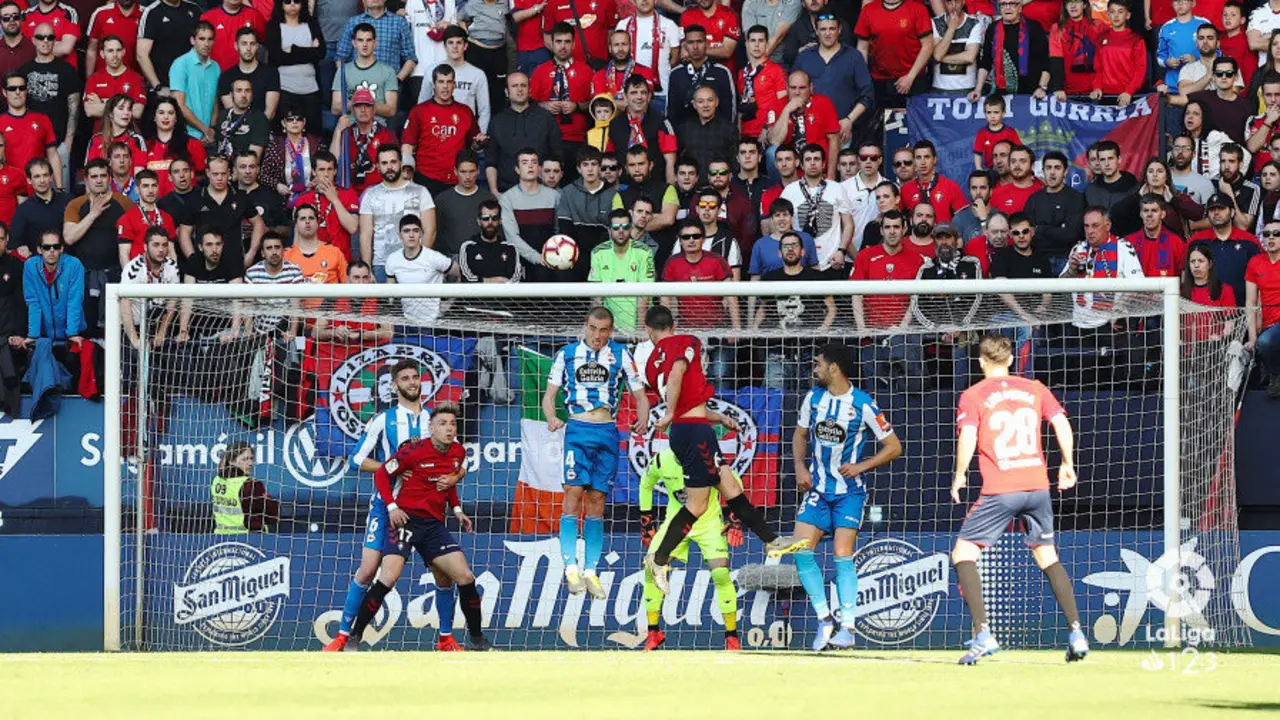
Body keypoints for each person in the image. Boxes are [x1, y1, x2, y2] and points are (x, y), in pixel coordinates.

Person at [642, 303, 807, 596]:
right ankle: (659, 559)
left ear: (648, 331)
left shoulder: (651, 360)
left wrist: (720, 418)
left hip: (695, 429)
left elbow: (690, 400)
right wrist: (669, 411)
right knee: (697, 505)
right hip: (692, 433)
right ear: (673, 326)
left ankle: (770, 539)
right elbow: (679, 373)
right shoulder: (687, 341)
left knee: (730, 487)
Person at [949, 334, 1091, 668]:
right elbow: (1061, 422)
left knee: (963, 553)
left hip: (1002, 486)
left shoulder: (972, 395)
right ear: (1012, 360)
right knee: (1048, 557)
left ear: (981, 361)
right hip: (1037, 484)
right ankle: (1076, 633)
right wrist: (1068, 463)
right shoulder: (1035, 388)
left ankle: (983, 634)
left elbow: (968, 434)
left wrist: (960, 474)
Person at [345, 403, 492, 651]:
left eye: (453, 424)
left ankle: (477, 639)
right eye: (443, 424)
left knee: (465, 577)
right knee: (388, 578)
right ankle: (354, 636)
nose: (449, 428)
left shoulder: (457, 452)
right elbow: (382, 474)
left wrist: (456, 509)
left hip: (433, 525)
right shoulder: (413, 451)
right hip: (406, 520)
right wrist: (392, 507)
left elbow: (449, 481)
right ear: (430, 428)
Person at [324, 360, 446, 651]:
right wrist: (389, 467)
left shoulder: (434, 419)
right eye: (405, 378)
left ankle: (445, 639)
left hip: (424, 508)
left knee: (444, 573)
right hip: (387, 505)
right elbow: (356, 459)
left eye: (416, 377)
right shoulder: (384, 419)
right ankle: (342, 637)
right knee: (368, 570)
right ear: (394, 386)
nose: (412, 382)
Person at [789, 343, 901, 651]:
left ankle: (848, 627)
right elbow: (800, 434)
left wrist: (862, 465)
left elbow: (894, 446)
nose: (815, 369)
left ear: (834, 368)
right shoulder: (813, 399)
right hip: (817, 488)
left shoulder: (863, 403)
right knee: (800, 550)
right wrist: (800, 466)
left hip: (849, 493)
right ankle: (825, 620)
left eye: (818, 364)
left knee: (842, 553)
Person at [541, 306, 648, 598]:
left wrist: (644, 417)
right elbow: (549, 397)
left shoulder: (622, 354)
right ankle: (570, 568)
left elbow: (640, 396)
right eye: (592, 329)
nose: (597, 336)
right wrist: (551, 417)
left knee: (598, 500)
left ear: (611, 331)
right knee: (573, 493)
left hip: (608, 432)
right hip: (577, 430)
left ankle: (590, 570)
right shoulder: (566, 354)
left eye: (603, 330)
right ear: (584, 326)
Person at [638, 445, 745, 651]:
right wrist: (646, 521)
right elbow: (645, 483)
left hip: (708, 523)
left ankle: (731, 638)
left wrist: (734, 517)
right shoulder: (661, 460)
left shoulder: (709, 458)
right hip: (676, 522)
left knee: (721, 574)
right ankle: (653, 633)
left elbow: (736, 483)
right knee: (651, 567)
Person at [63, 158, 132, 335]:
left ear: (110, 178)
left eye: (103, 175)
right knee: (88, 330)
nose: (99, 180)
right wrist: (93, 214)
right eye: (94, 176)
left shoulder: (124, 203)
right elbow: (69, 238)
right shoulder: (76, 204)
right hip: (85, 277)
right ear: (86, 180)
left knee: (116, 330)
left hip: (116, 276)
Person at [794, 14, 874, 148]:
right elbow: (793, 91)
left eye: (832, 29)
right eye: (823, 29)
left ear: (839, 30)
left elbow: (867, 95)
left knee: (843, 168)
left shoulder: (854, 57)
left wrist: (849, 120)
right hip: (809, 129)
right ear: (816, 30)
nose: (828, 33)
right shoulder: (804, 57)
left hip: (842, 128)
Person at [358, 144, 435, 280]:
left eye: (393, 162)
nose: (389, 167)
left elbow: (430, 230)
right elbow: (365, 234)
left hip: (413, 264)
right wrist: (367, 270)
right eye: (384, 163)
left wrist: (419, 261)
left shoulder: (421, 192)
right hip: (381, 265)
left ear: (400, 163)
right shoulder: (370, 195)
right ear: (377, 166)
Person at [403, 64, 479, 195]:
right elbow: (408, 144)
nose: (445, 86)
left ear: (454, 85)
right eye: (441, 82)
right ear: (433, 84)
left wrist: (479, 143)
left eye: (449, 82)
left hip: (456, 181)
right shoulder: (419, 111)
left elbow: (473, 145)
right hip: (426, 178)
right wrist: (406, 170)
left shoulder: (465, 112)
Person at [779, 143, 853, 278]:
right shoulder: (789, 191)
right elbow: (781, 225)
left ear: (824, 164)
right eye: (808, 159)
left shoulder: (837, 188)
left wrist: (841, 251)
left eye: (816, 159)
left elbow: (848, 224)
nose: (812, 163)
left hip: (831, 260)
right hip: (799, 261)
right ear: (801, 165)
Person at [19, 22, 77, 192]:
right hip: (32, 144)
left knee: (61, 195)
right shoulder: (24, 71)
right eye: (40, 37)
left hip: (59, 144)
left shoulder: (67, 70)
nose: (45, 41)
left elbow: (74, 107)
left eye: (50, 37)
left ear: (55, 41)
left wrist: (68, 141)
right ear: (33, 40)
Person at [487, 73, 564, 193]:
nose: (519, 89)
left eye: (523, 85)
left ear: (530, 90)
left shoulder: (545, 118)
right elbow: (491, 160)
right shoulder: (497, 121)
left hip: (542, 190)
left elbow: (558, 155)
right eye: (514, 86)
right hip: (506, 192)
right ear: (507, 91)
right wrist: (495, 192)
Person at [530, 23, 592, 170]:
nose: (563, 46)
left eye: (567, 42)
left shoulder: (586, 71)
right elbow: (528, 104)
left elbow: (595, 105)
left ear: (574, 44)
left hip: (577, 139)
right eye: (558, 42)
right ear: (551, 43)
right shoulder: (540, 71)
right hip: (546, 138)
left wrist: (576, 106)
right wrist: (543, 106)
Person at [185, 155, 264, 267]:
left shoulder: (240, 197)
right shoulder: (195, 198)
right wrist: (192, 258)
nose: (220, 178)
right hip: (204, 265)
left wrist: (251, 253)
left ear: (229, 172)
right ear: (207, 173)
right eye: (215, 174)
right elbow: (184, 231)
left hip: (234, 263)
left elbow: (259, 223)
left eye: (223, 174)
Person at [855, 0, 934, 108]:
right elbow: (862, 48)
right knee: (881, 122)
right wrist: (863, 80)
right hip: (879, 80)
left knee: (913, 123)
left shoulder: (918, 9)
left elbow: (928, 46)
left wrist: (910, 77)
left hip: (914, 80)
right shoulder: (868, 10)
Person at [751, 230, 834, 332]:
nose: (790, 248)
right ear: (780, 253)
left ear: (802, 252)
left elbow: (832, 309)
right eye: (786, 246)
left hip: (809, 339)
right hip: (777, 339)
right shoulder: (769, 278)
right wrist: (754, 330)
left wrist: (822, 331)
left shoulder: (817, 277)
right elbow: (763, 309)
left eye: (794, 245)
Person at [555, 146, 618, 278]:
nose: (590, 169)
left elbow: (614, 230)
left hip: (604, 252)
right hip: (575, 252)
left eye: (594, 164)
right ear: (579, 169)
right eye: (585, 165)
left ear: (600, 168)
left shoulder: (613, 194)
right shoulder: (568, 192)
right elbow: (565, 228)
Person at [385, 213, 458, 324]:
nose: (411, 235)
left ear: (421, 234)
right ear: (400, 235)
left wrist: (448, 305)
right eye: (406, 231)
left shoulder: (434, 257)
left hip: (434, 323)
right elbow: (390, 294)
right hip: (407, 322)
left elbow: (460, 274)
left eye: (415, 230)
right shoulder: (392, 259)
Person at [588, 208, 655, 329]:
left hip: (639, 324)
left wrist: (640, 330)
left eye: (625, 227)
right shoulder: (598, 252)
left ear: (630, 229)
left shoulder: (645, 251)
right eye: (615, 227)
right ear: (609, 230)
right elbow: (596, 299)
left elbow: (645, 296)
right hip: (608, 326)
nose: (620, 231)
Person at [971, 0, 1051, 101]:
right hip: (1001, 94)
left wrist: (1042, 88)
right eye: (1003, 4)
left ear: (1020, 7)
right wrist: (978, 90)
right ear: (999, 8)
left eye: (1012, 3)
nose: (1007, 7)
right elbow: (985, 63)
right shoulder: (992, 28)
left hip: (1033, 93)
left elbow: (1046, 62)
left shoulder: (1034, 27)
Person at [417, 27, 489, 136]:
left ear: (465, 46)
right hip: (435, 132)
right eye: (450, 43)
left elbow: (484, 110)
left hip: (465, 134)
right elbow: (422, 105)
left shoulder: (477, 74)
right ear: (445, 46)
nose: (455, 47)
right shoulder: (431, 71)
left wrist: (478, 136)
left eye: (459, 43)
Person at [1189, 192, 1261, 303]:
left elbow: (1261, 277)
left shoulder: (1250, 241)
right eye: (1212, 210)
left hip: (1242, 312)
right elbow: (1186, 276)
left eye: (1221, 209)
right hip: (1204, 312)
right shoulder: (1196, 241)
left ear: (1232, 212)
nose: (1216, 213)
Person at [766, 70, 839, 178]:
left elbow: (834, 140)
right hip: (790, 166)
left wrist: (831, 176)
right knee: (771, 152)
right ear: (786, 87)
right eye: (793, 87)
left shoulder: (823, 102)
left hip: (816, 162)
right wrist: (786, 110)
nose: (797, 92)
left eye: (802, 88)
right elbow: (774, 141)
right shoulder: (777, 105)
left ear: (811, 88)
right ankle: (779, 190)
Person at [333, 0, 416, 94]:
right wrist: (347, 81)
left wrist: (397, 80)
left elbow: (411, 58)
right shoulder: (353, 22)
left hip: (388, 86)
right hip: (357, 85)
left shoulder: (399, 22)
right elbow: (341, 57)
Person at [266, 0, 325, 131]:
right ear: (280, 4)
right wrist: (309, 51)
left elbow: (321, 52)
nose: (292, 4)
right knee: (285, 134)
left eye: (297, 1)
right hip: (284, 89)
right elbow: (276, 57)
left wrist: (292, 49)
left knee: (313, 135)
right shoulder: (273, 25)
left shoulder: (311, 23)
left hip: (311, 89)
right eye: (287, 1)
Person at [21, 228, 83, 350]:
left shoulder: (74, 265)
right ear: (39, 249)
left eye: (56, 246)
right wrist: (33, 334)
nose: (52, 251)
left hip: (72, 333)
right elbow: (33, 302)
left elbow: (74, 301)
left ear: (62, 249)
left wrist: (72, 333)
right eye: (46, 247)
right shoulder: (30, 266)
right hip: (44, 335)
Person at [500, 148, 561, 272]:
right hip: (521, 262)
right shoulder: (507, 198)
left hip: (553, 258)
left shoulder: (554, 196)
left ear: (539, 169)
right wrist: (537, 258)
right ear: (517, 169)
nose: (530, 166)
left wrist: (552, 255)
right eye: (524, 162)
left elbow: (559, 231)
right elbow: (512, 237)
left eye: (534, 162)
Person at [665, 25, 736, 129]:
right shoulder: (676, 74)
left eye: (699, 42)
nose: (695, 47)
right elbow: (671, 112)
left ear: (706, 44)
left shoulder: (722, 72)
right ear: (684, 46)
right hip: (685, 138)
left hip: (716, 136)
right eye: (690, 42)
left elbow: (729, 111)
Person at [1024, 150, 1085, 270]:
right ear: (1043, 171)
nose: (1052, 172)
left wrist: (1041, 228)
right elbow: (1028, 234)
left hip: (1067, 259)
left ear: (1065, 171)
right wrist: (1059, 229)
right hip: (1038, 259)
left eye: (1057, 168)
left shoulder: (1076, 198)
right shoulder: (1034, 199)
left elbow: (1071, 234)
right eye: (1048, 168)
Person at [618, 0, 681, 112]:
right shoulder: (623, 25)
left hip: (660, 93)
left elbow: (675, 58)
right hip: (630, 93)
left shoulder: (669, 25)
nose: (644, 1)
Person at [329, 88, 396, 195]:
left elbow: (394, 167)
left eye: (367, 105)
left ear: (374, 109)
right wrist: (338, 131)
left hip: (380, 192)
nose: (363, 109)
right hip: (350, 193)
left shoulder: (386, 134)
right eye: (358, 106)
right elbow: (332, 163)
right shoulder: (346, 133)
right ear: (352, 110)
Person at [0, 72, 60, 190]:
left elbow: (52, 155)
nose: (18, 92)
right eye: (12, 89)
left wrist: (59, 187)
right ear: (4, 92)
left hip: (38, 187)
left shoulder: (42, 119)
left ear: (26, 90)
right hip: (8, 188)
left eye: (21, 88)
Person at [332, 23, 401, 123]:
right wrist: (360, 103)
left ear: (375, 43)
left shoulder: (388, 71)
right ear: (354, 43)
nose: (364, 44)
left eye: (368, 40)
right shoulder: (343, 70)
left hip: (378, 130)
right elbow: (335, 108)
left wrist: (363, 103)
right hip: (351, 128)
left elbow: (391, 110)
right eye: (360, 40)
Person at [210, 441, 279, 533]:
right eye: (245, 459)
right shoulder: (250, 485)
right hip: (247, 540)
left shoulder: (217, 480)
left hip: (220, 538)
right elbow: (272, 516)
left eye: (251, 458)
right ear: (232, 461)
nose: (250, 463)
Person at [170, 21, 220, 146]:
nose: (206, 43)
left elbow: (215, 102)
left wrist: (212, 130)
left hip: (209, 137)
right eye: (202, 39)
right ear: (193, 40)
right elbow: (179, 105)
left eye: (210, 39)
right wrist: (205, 130)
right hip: (187, 134)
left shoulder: (216, 67)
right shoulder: (180, 64)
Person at [144, 97, 207, 196]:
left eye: (170, 113)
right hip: (154, 204)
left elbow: (203, 176)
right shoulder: (144, 145)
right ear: (154, 117)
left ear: (176, 117)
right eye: (161, 113)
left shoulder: (193, 144)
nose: (166, 117)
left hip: (185, 204)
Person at [137, 0, 202, 94]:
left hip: (192, 86)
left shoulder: (194, 9)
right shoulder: (152, 12)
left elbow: (205, 43)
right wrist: (158, 87)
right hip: (165, 88)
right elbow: (141, 55)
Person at [217, 28, 279, 125]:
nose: (248, 48)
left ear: (257, 46)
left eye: (252, 44)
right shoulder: (226, 77)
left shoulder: (271, 73)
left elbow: (270, 113)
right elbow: (231, 112)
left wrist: (255, 131)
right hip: (236, 131)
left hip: (262, 130)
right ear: (236, 46)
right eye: (244, 44)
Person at [1246, 219, 1280, 396]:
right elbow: (1250, 303)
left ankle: (1275, 376)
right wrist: (1252, 338)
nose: (1271, 238)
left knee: (1266, 341)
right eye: (1267, 234)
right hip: (1268, 323)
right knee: (1262, 343)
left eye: (1276, 234)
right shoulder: (1255, 262)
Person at [1090, 0, 1144, 105]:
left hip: (1128, 96)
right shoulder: (1101, 38)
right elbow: (1098, 68)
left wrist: (1129, 91)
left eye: (1120, 12)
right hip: (1105, 95)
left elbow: (1140, 70)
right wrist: (1097, 87)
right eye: (1112, 12)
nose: (1116, 16)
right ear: (1108, 15)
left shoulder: (1136, 40)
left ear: (1127, 15)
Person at [10, 158, 66, 258]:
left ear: (51, 177)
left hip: (68, 263)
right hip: (38, 267)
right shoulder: (23, 210)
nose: (42, 180)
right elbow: (14, 244)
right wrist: (20, 248)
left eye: (45, 175)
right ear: (29, 180)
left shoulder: (68, 201)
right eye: (37, 176)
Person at [459, 199, 523, 283]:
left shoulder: (510, 247)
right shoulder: (468, 247)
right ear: (479, 221)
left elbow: (516, 279)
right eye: (485, 218)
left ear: (500, 221)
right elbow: (466, 278)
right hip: (477, 295)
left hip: (504, 295)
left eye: (495, 218)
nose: (490, 222)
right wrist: (497, 280)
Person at [901, 140, 967, 222]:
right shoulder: (905, 190)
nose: (923, 162)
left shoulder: (951, 187)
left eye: (927, 157)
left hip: (943, 234)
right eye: (918, 158)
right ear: (914, 162)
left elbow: (965, 221)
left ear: (935, 160)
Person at [749, 198, 817, 278]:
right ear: (772, 219)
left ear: (792, 217)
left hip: (801, 289)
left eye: (785, 214)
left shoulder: (806, 239)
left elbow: (814, 269)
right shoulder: (760, 245)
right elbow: (755, 277)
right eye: (777, 215)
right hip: (771, 289)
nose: (781, 219)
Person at [1124, 194, 1188, 277]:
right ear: (1140, 214)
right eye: (1146, 211)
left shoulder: (1176, 242)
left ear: (1163, 214)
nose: (1149, 215)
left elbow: (1183, 277)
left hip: (1167, 290)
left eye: (1154, 210)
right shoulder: (1128, 242)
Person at [116, 170, 174, 262]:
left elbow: (171, 252)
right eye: (145, 186)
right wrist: (129, 276)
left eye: (154, 185)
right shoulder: (126, 219)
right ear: (137, 190)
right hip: (139, 273)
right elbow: (124, 254)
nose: (150, 190)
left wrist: (173, 274)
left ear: (158, 188)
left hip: (164, 272)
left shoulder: (167, 218)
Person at [931, 0, 986, 95]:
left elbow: (969, 57)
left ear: (963, 1)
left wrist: (940, 58)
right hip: (939, 88)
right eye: (949, 2)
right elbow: (937, 54)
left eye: (957, 1)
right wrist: (951, 28)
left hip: (966, 88)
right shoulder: (935, 22)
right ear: (943, 2)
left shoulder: (974, 23)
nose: (953, 5)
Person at [285, 203, 348, 285]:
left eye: (311, 218)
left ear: (317, 223)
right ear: (296, 224)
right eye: (303, 219)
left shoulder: (334, 252)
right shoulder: (285, 255)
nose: (307, 221)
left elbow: (348, 285)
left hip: (329, 297)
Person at [1048, 0, 1100, 100]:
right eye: (1069, 2)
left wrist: (1098, 87)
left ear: (1084, 4)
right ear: (1065, 6)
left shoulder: (1098, 25)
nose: (1073, 5)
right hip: (1067, 92)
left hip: (1094, 91)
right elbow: (1056, 60)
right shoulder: (1057, 28)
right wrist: (1058, 87)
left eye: (1077, 1)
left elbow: (1104, 60)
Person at [200, 0, 266, 71]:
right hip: (216, 74)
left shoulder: (254, 16)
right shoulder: (208, 17)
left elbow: (262, 44)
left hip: (247, 75)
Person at [215, 79, 270, 158]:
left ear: (252, 95)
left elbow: (254, 158)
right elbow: (220, 145)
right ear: (231, 94)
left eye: (247, 91)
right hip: (224, 166)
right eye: (239, 91)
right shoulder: (223, 115)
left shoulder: (259, 118)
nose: (243, 95)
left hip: (244, 167)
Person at [990, 145, 1044, 215]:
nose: (1017, 165)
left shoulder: (1041, 192)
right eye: (1013, 161)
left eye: (1022, 161)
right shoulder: (996, 194)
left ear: (1032, 166)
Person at [973, 95, 1021, 170]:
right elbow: (977, 153)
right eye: (989, 112)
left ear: (1003, 113)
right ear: (984, 114)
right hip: (991, 169)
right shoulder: (981, 133)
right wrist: (979, 169)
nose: (992, 116)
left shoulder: (1010, 132)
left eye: (996, 112)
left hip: (1008, 169)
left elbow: (1019, 150)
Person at [0, 2, 33, 77]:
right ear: (0, 22)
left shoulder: (34, 47)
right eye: (6, 18)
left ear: (21, 19)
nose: (12, 21)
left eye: (16, 17)